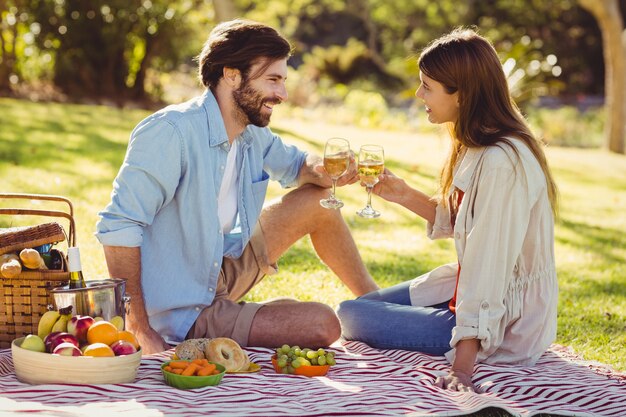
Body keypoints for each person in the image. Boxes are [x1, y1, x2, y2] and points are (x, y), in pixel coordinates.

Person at [96, 19, 378, 355]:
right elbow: (119, 227)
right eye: (273, 79)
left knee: (319, 201)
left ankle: (376, 307)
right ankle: (244, 318)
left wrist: (325, 168)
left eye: (284, 81)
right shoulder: (171, 133)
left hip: (219, 268)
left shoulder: (249, 130)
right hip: (182, 310)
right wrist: (139, 327)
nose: (282, 94)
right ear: (231, 75)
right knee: (323, 324)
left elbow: (296, 165)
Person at [337, 28, 559, 393]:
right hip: (463, 286)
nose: (418, 94)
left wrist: (463, 366)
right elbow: (466, 221)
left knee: (352, 316)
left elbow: (487, 266)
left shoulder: (502, 161)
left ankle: (456, 329)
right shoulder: (478, 143)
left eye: (427, 86)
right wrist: (403, 194)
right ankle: (439, 318)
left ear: (462, 94)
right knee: (360, 306)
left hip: (505, 319)